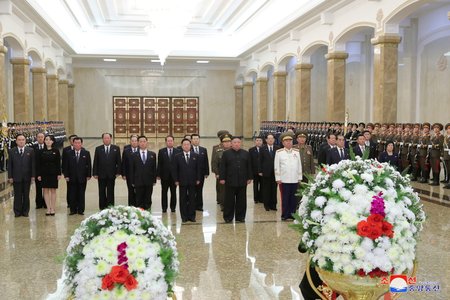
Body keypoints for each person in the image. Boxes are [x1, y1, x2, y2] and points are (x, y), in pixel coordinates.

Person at [219, 136, 253, 223]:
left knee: (241, 200)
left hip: (242, 181)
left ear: (241, 143)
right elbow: (222, 167)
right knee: (229, 200)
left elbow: (249, 166)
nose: (236, 144)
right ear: (231, 144)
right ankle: (228, 217)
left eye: (238, 142)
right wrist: (222, 178)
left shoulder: (246, 153)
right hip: (230, 181)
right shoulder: (226, 154)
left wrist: (249, 177)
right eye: (234, 142)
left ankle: (240, 217)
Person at [274, 132, 302, 221]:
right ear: (283, 143)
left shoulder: (296, 152)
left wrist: (299, 177)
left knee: (294, 198)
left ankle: (292, 214)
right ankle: (285, 214)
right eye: (286, 141)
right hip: (284, 179)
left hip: (294, 179)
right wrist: (278, 178)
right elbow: (276, 166)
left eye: (290, 141)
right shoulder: (279, 153)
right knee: (285, 198)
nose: (288, 142)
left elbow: (299, 165)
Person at [171, 138, 201, 223]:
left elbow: (198, 169)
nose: (186, 146)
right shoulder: (177, 156)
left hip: (193, 181)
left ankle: (192, 216)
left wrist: (198, 179)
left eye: (188, 144)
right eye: (184, 144)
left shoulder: (195, 156)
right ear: (182, 146)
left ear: (190, 145)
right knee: (183, 199)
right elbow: (174, 169)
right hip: (182, 181)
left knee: (192, 199)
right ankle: (184, 217)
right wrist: (176, 180)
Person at [7, 134, 35, 217]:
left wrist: (33, 176)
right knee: (17, 195)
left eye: (23, 139)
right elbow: (10, 165)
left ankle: (25, 211)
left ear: (25, 141)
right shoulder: (12, 151)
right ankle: (17, 212)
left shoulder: (30, 150)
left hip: (27, 177)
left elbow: (32, 164)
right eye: (19, 140)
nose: (21, 141)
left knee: (26, 195)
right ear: (16, 141)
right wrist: (10, 177)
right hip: (16, 177)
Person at [63, 137, 91, 215]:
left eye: (79, 143)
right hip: (72, 177)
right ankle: (73, 210)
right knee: (72, 194)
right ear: (73, 143)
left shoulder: (86, 153)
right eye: (75, 143)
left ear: (81, 144)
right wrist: (66, 175)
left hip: (82, 177)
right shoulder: (69, 153)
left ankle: (81, 210)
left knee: (81, 194)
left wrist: (88, 175)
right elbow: (66, 165)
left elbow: (88, 165)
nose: (77, 144)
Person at [93, 133, 121, 210]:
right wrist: (95, 173)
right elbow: (96, 161)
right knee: (101, 191)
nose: (106, 139)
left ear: (111, 139)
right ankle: (102, 207)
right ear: (102, 139)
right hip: (101, 174)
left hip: (112, 174)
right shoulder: (98, 149)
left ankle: (110, 206)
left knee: (110, 191)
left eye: (108, 138)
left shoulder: (116, 148)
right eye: (105, 138)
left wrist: (118, 172)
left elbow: (118, 161)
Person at [129, 136, 156, 210]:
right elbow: (132, 169)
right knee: (139, 199)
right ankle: (140, 216)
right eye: (140, 141)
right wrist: (132, 181)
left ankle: (148, 214)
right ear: (138, 143)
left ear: (147, 142)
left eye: (144, 141)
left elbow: (154, 168)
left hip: (149, 181)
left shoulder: (152, 154)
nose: (142, 143)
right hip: (138, 181)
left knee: (148, 199)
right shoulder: (134, 155)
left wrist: (154, 180)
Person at [36, 135, 61, 216]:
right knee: (45, 190)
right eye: (46, 139)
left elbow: (58, 163)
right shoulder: (41, 151)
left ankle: (53, 208)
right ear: (44, 141)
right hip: (44, 173)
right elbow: (39, 164)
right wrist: (39, 174)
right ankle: (48, 208)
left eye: (50, 140)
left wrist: (59, 174)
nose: (48, 141)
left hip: (53, 173)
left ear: (53, 141)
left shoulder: (56, 151)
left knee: (53, 190)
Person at [157, 135, 180, 213]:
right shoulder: (161, 151)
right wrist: (158, 175)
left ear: (173, 142)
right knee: (164, 192)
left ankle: (173, 207)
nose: (170, 142)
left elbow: (179, 165)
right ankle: (164, 207)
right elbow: (159, 164)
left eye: (171, 141)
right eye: (168, 141)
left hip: (174, 177)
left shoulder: (178, 151)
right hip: (164, 176)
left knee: (173, 193)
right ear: (166, 142)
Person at [258, 133, 280, 211]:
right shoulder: (262, 149)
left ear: (274, 140)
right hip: (265, 172)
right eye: (269, 138)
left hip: (275, 172)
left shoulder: (277, 148)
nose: (270, 140)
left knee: (274, 189)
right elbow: (260, 160)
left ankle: (273, 205)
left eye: (272, 138)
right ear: (266, 140)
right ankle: (266, 205)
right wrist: (260, 170)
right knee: (266, 189)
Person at [211, 133, 232, 211]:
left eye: (228, 142)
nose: (227, 143)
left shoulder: (233, 150)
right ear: (222, 143)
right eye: (225, 142)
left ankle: (230, 203)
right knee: (222, 190)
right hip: (221, 174)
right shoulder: (218, 150)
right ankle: (223, 204)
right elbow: (214, 162)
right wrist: (217, 173)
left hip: (231, 174)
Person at [191, 134, 209, 211]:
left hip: (201, 174)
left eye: (197, 139)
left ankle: (199, 206)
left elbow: (206, 161)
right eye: (194, 139)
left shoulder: (203, 150)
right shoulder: (188, 149)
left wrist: (206, 172)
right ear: (191, 140)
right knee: (192, 190)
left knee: (199, 190)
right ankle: (192, 205)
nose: (196, 140)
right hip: (191, 174)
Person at [121, 135, 139, 206]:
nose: (134, 142)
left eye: (135, 141)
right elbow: (124, 163)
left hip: (139, 175)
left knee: (138, 191)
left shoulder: (141, 150)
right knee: (131, 191)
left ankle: (138, 205)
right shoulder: (126, 151)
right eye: (132, 141)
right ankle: (131, 206)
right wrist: (124, 174)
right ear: (130, 142)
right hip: (129, 175)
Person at [62, 134, 78, 207]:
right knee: (70, 188)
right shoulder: (66, 150)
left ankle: (77, 202)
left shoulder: (82, 149)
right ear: (69, 141)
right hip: (69, 173)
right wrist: (65, 174)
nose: (73, 141)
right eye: (72, 139)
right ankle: (70, 203)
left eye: (75, 139)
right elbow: (64, 162)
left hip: (78, 173)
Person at [33, 132, 46, 209]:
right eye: (39, 137)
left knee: (45, 188)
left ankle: (45, 202)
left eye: (42, 137)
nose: (40, 138)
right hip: (37, 171)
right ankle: (38, 203)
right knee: (38, 188)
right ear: (36, 138)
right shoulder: (33, 148)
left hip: (45, 171)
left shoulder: (47, 147)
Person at [249, 136, 263, 203]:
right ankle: (256, 198)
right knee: (255, 185)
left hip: (262, 171)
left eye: (260, 140)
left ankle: (261, 198)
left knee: (262, 185)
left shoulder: (264, 149)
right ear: (255, 142)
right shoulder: (251, 150)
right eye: (257, 140)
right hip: (254, 171)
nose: (259, 142)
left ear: (262, 142)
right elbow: (250, 161)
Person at [443, 123, 450, 189]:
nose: (449, 130)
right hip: (446, 155)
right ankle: (448, 181)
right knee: (447, 169)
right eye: (448, 129)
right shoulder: (445, 137)